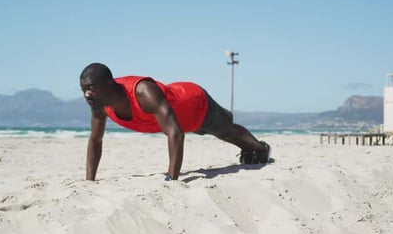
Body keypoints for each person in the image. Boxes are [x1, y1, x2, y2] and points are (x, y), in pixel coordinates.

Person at [80, 62, 271, 181]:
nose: (87, 94)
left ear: (109, 84)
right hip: (181, 119)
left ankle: (260, 148)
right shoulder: (99, 104)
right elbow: (95, 140)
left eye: (91, 88)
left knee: (225, 131)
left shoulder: (143, 92)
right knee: (222, 129)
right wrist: (90, 181)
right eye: (84, 90)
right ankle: (234, 127)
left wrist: (172, 178)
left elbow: (175, 133)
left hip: (195, 104)